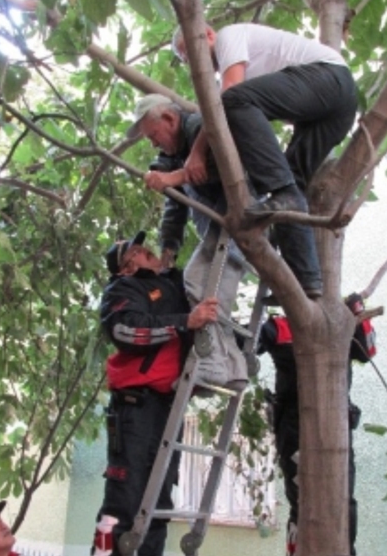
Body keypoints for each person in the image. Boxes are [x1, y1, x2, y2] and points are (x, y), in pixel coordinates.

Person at [173, 23, 359, 297]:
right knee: (291, 182)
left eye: (189, 55)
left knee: (233, 101)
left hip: (331, 79)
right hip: (336, 107)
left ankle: (281, 194)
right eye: (187, 61)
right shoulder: (245, 68)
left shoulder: (228, 36)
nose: (193, 65)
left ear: (207, 34)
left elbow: (229, 96)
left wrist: (197, 152)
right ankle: (306, 281)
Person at [92, 231, 220, 556]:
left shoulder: (170, 286)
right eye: (135, 251)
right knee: (124, 502)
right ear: (125, 268)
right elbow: (125, 330)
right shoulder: (123, 289)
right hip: (134, 408)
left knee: (158, 505)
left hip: (168, 406)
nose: (145, 250)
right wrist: (184, 322)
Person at [126, 94, 250, 388]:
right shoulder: (170, 157)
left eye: (153, 135)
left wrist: (175, 177)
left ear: (169, 119)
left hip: (236, 220)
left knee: (196, 281)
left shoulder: (198, 130)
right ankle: (234, 366)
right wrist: (169, 248)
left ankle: (215, 363)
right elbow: (175, 205)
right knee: (218, 298)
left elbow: (228, 169)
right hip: (219, 232)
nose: (153, 144)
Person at [258, 295, 375, 556]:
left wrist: (357, 313)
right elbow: (248, 343)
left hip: (337, 430)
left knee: (345, 501)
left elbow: (367, 351)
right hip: (295, 429)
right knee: (303, 502)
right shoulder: (280, 326)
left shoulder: (339, 324)